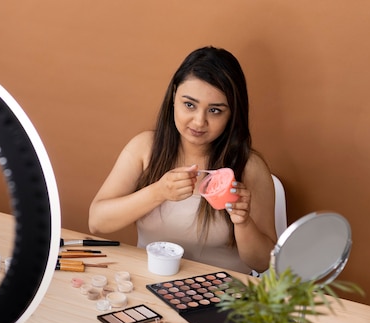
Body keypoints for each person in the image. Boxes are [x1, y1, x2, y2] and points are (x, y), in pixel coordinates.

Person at [88, 46, 276, 274]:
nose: (199, 122)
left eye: (215, 111)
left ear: (232, 114)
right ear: (173, 97)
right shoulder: (144, 148)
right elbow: (97, 221)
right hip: (151, 287)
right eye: (189, 105)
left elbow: (263, 262)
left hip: (221, 297)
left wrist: (243, 222)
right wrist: (158, 192)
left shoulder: (249, 167)